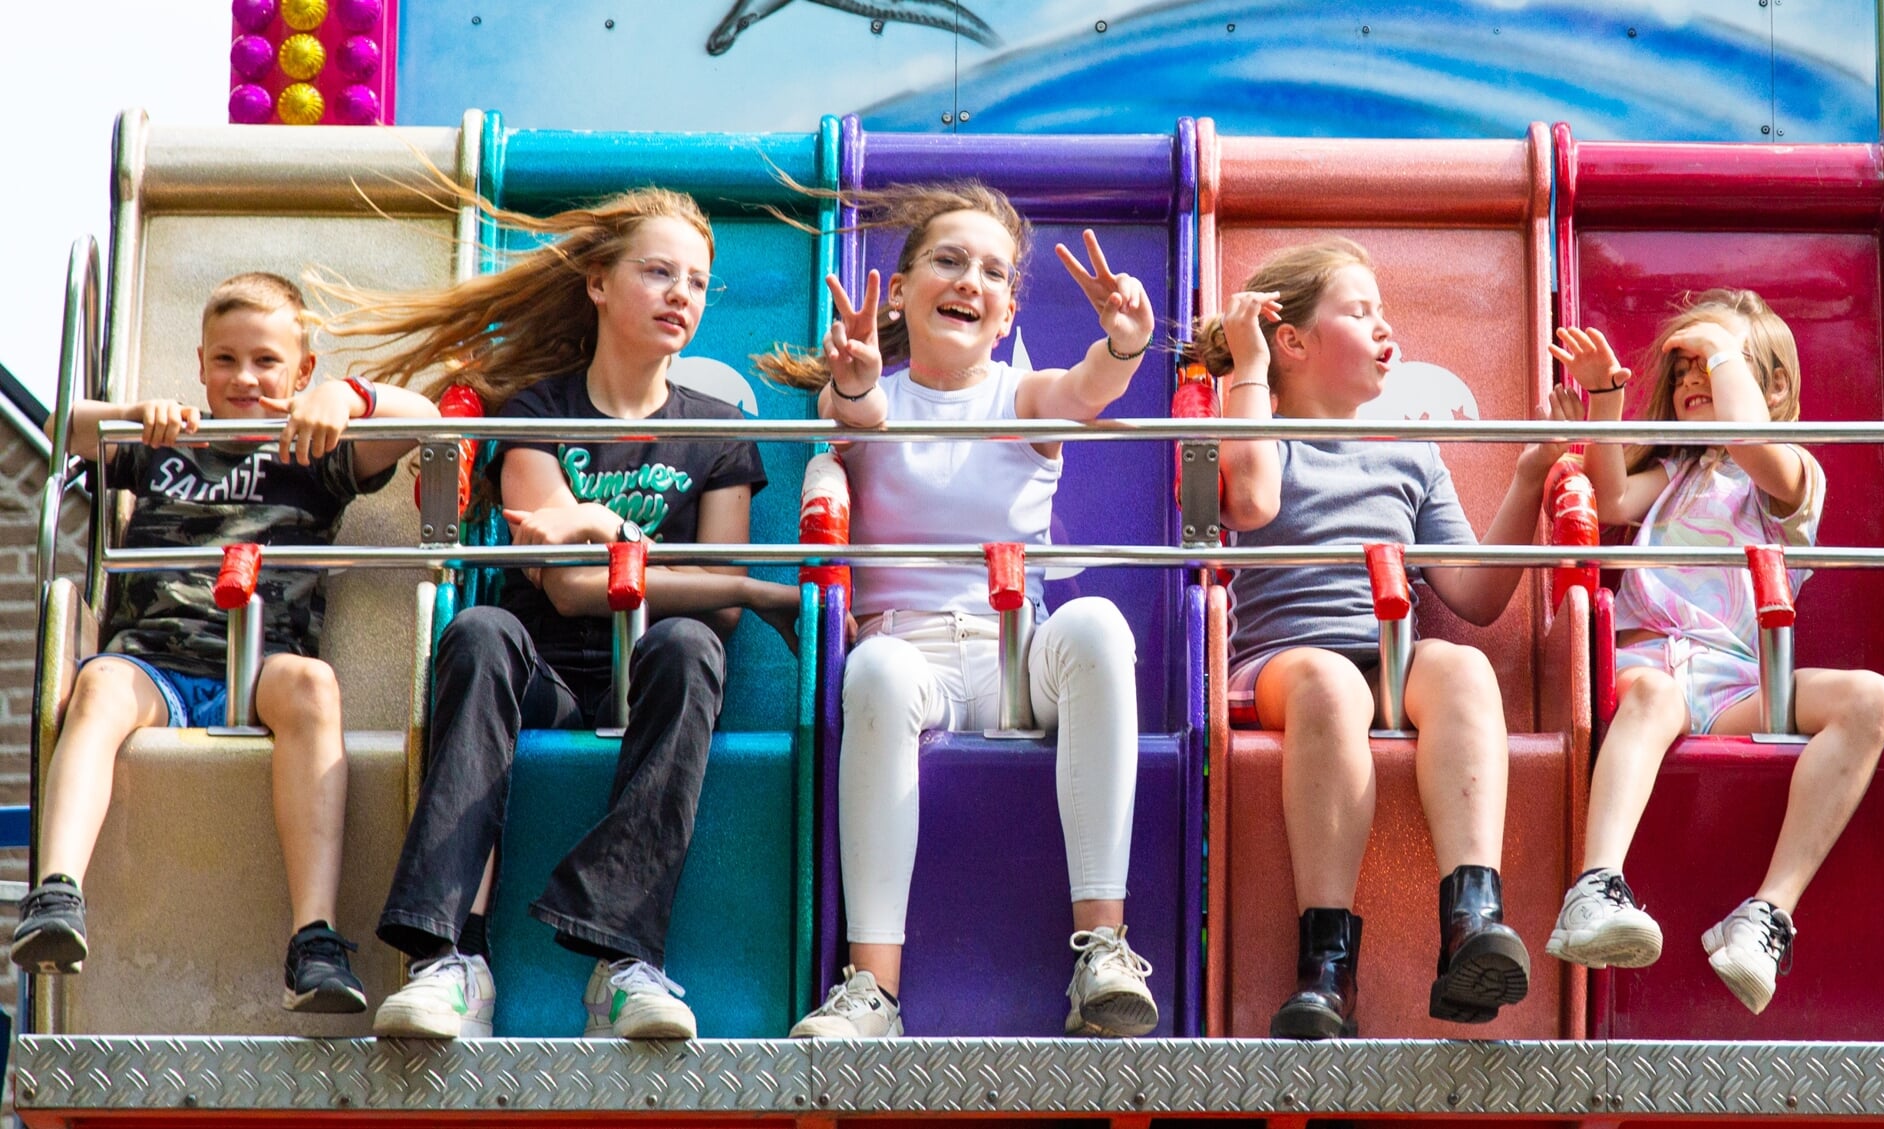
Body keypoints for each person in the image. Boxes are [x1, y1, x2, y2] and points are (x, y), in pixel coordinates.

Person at [321, 187, 799, 1040]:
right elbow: (571, 585)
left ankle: (623, 962)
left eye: (696, 280)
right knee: (479, 630)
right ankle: (451, 959)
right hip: (546, 681)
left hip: (651, 677)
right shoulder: (537, 413)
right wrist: (731, 579)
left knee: (689, 644)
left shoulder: (720, 429)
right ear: (598, 284)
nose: (679, 294)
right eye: (656, 271)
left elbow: (719, 598)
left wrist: (601, 531)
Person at [756, 182, 1158, 1038]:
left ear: (1009, 310)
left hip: (1017, 659)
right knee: (874, 669)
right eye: (946, 259)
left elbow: (1085, 388)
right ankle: (873, 990)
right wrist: (858, 379)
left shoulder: (1020, 396)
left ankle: (1105, 951)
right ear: (898, 290)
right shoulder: (868, 393)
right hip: (910, 657)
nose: (967, 279)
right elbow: (854, 412)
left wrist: (1125, 343)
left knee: (1097, 628)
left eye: (991, 271)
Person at [13, 271, 439, 1014]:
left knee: (316, 686)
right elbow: (63, 430)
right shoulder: (165, 445)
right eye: (225, 360)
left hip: (261, 667)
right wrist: (131, 415)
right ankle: (56, 892)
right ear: (202, 363)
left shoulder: (314, 451)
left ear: (302, 371)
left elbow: (423, 418)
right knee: (99, 685)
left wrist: (349, 397)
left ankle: (314, 935)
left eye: (267, 361)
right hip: (157, 664)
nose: (245, 377)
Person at [1202, 237, 1561, 1038]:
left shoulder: (1410, 450)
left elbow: (1472, 593)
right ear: (1291, 342)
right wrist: (1247, 366)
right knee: (1329, 683)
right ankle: (1326, 964)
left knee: (1463, 668)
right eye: (1360, 312)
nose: (1385, 328)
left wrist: (1530, 477)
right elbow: (1252, 503)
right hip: (1285, 662)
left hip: (1389, 659)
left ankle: (1471, 918)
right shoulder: (1256, 427)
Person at [1544, 292, 1884, 1014]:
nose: (1690, 377)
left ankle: (1766, 912)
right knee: (1652, 696)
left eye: (1709, 362)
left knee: (1873, 698)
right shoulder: (1675, 475)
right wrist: (1608, 398)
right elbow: (1610, 497)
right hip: (1651, 664)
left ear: (1769, 388)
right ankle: (1594, 886)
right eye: (1681, 372)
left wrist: (1723, 347)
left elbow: (1748, 441)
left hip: (1737, 681)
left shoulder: (1788, 475)